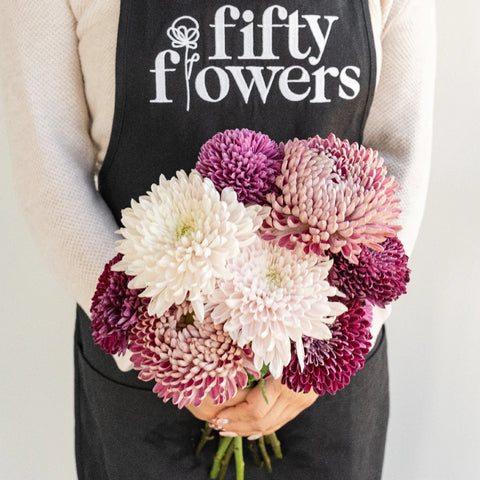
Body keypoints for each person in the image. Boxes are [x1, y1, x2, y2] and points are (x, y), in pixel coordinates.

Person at [0, 0, 435, 478]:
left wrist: (331, 348)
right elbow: (50, 170)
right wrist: (161, 350)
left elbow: (401, 157)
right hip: (149, 378)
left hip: (322, 374)